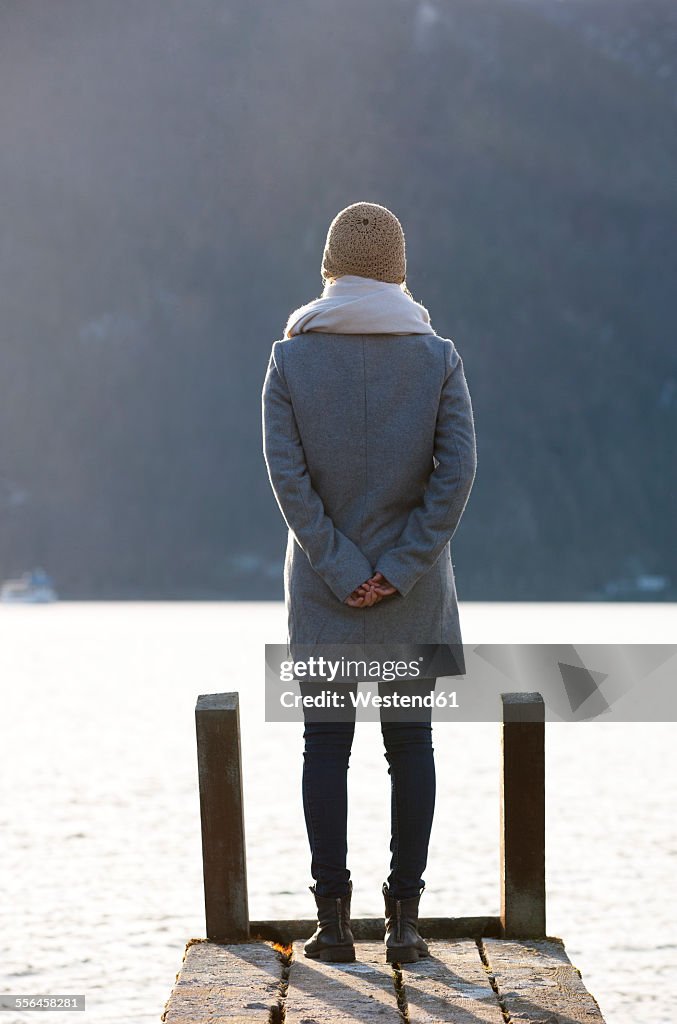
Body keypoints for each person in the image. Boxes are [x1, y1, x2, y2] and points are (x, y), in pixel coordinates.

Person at [261, 201, 477, 963]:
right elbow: (455, 477)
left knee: (325, 751)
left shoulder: (290, 359)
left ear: (329, 268)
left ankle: (331, 927)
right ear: (399, 270)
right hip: (410, 591)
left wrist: (343, 568)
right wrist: (400, 566)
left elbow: (288, 482)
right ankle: (405, 926)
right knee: (409, 748)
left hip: (324, 589)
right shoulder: (436, 357)